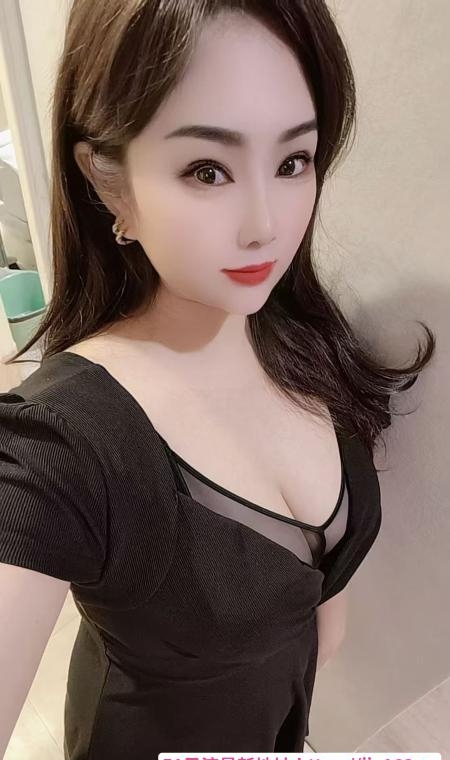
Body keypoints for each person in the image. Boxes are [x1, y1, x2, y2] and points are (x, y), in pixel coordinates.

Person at [0, 2, 435, 758]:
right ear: (109, 182)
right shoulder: (62, 446)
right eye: (207, 170)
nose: (266, 225)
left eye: (293, 162)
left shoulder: (307, 341)